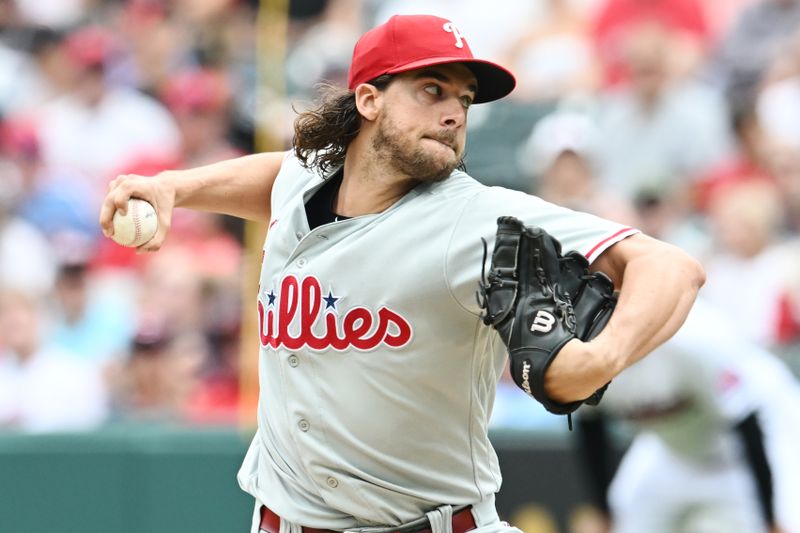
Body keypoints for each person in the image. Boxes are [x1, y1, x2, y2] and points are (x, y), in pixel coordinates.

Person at [98, 14, 705, 533]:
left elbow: (672, 266)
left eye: (463, 101)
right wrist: (173, 185)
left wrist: (602, 359)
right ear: (368, 99)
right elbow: (282, 176)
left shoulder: (476, 217)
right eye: (432, 90)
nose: (453, 114)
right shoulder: (306, 182)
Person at [574, 299, 800, 533]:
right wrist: (604, 513)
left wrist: (770, 519)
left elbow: (748, 425)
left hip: (764, 436)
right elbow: (591, 432)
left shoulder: (694, 339)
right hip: (674, 449)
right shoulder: (585, 355)